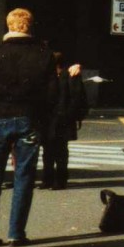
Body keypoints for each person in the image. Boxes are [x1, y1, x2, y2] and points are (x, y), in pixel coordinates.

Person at [0, 8, 58, 246]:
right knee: (24, 177)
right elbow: (51, 96)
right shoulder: (44, 56)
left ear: (8, 25)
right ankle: (16, 233)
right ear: (29, 26)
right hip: (28, 120)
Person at [41, 54, 86, 191]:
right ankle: (49, 180)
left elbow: (77, 98)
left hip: (61, 119)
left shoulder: (69, 75)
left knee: (59, 151)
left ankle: (59, 180)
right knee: (49, 151)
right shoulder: (49, 76)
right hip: (51, 119)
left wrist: (70, 116)